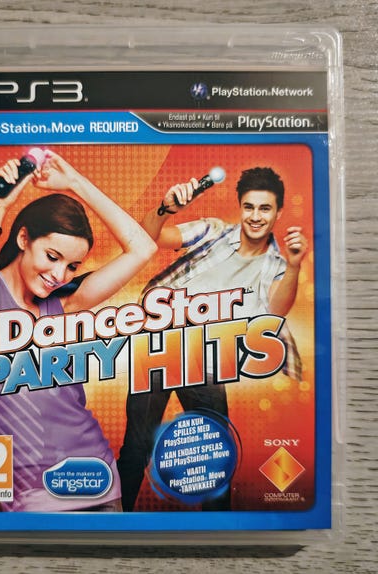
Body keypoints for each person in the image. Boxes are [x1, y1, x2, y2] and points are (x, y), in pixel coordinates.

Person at [0, 150, 157, 512]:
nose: (59, 275)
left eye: (72, 266)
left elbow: (143, 249)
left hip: (97, 480)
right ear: (23, 239)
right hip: (28, 495)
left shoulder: (64, 302)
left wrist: (75, 183)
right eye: (52, 256)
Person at [117, 166, 308, 511]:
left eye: (265, 209)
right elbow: (147, 241)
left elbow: (276, 311)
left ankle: (219, 530)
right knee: (136, 447)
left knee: (214, 453)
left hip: (205, 360)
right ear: (240, 207)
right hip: (158, 344)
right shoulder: (213, 232)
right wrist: (164, 210)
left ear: (278, 213)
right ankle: (113, 524)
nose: (255, 216)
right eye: (249, 207)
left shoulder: (275, 265)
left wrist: (294, 265)